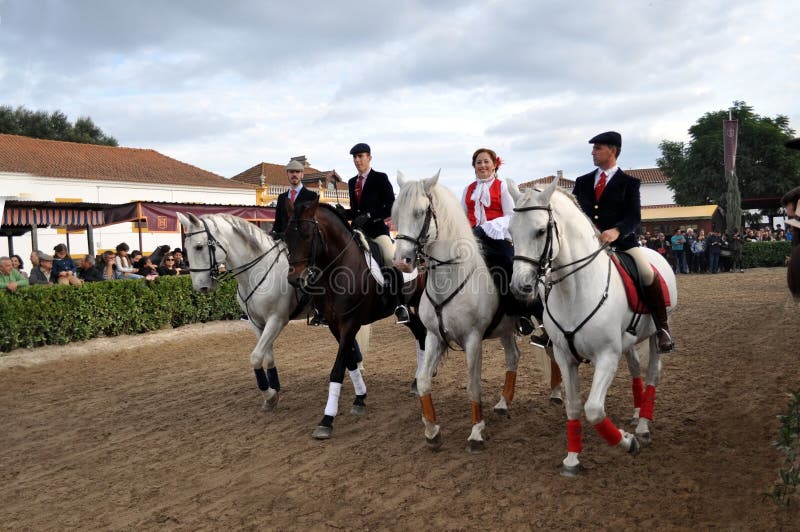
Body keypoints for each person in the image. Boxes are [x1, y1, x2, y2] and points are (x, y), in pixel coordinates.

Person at [572, 131, 673, 352]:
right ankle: (553, 331)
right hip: (587, 245)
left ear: (613, 150)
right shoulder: (582, 182)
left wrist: (617, 231)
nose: (593, 151)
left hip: (621, 244)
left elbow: (634, 217)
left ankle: (662, 327)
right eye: (593, 148)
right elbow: (575, 213)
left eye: (598, 147)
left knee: (646, 272)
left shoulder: (630, 183)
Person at [461, 147, 535, 336]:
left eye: (486, 161)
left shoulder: (502, 187)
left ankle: (522, 313)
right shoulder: (468, 189)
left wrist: (486, 228)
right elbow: (462, 216)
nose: (482, 165)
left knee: (510, 266)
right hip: (471, 239)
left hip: (497, 238)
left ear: (494, 165)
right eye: (478, 162)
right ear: (474, 166)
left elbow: (511, 215)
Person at [339, 143, 408, 323]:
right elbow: (355, 211)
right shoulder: (352, 182)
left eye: (360, 156)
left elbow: (390, 206)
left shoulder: (380, 178)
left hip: (377, 232)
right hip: (357, 232)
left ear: (369, 157)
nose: (357, 160)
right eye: (354, 157)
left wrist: (371, 216)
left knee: (388, 257)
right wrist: (342, 213)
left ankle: (400, 305)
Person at [271, 159, 318, 238]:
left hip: (302, 243)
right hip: (283, 244)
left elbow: (313, 223)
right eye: (291, 172)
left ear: (302, 175)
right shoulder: (282, 197)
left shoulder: (311, 196)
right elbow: (278, 222)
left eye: (297, 172)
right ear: (287, 174)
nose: (294, 174)